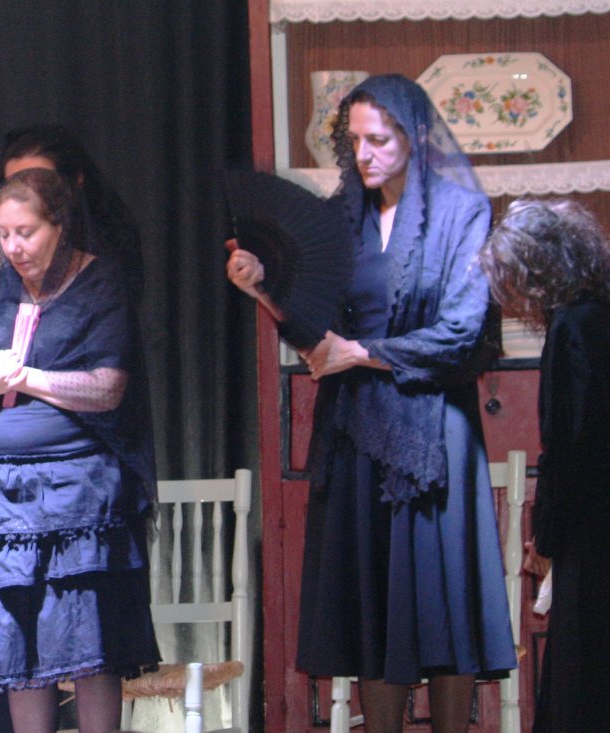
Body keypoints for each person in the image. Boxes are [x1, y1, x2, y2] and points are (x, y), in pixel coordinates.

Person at [226, 74, 514, 732]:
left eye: (379, 140)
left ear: (416, 136)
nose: (364, 154)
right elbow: (317, 329)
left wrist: (361, 353)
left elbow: (461, 331)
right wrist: (263, 289)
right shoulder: (342, 217)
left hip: (435, 431)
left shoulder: (462, 211)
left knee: (442, 606)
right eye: (354, 140)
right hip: (357, 430)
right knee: (371, 609)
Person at [0, 168, 159, 733]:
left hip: (79, 488)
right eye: (4, 234)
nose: (13, 246)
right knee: (20, 648)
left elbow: (109, 388)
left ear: (59, 226)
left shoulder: (98, 282)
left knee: (91, 646)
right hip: (2, 489)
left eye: (27, 232)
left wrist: (28, 377)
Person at [477, 197, 610, 732]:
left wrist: (547, 536)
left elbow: (568, 446)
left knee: (588, 678)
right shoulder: (595, 319)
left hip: (593, 523)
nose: (514, 295)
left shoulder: (570, 327)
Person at [0, 125, 143, 356]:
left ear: (76, 179)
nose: (25, 194)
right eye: (13, 184)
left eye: (39, 182)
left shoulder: (109, 237)